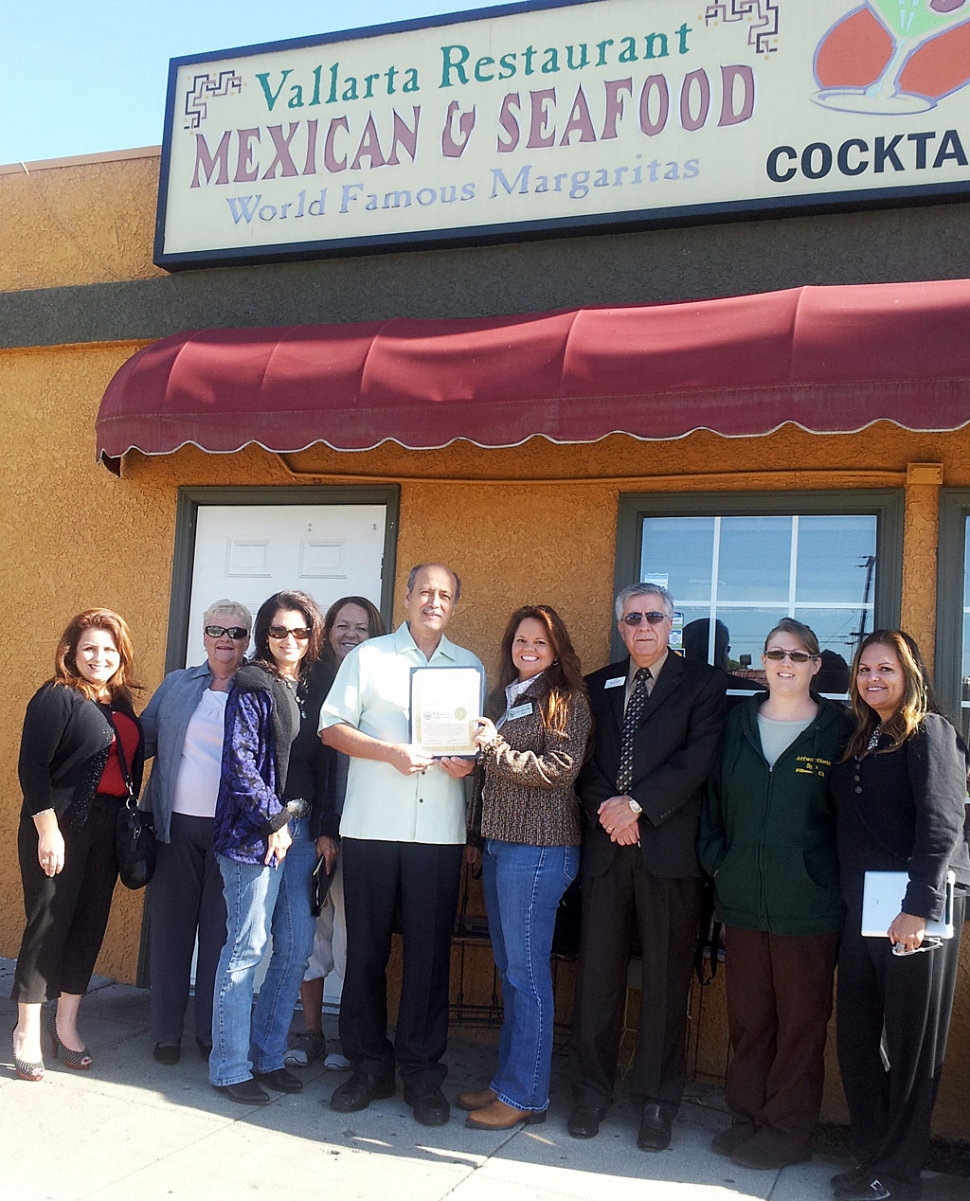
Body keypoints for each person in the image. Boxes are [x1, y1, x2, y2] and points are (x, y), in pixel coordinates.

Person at [320, 563, 483, 1127]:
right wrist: (389, 752)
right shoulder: (368, 658)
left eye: (445, 594)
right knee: (364, 952)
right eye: (425, 592)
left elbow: (471, 745)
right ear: (407, 596)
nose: (434, 601)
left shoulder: (470, 665)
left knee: (428, 957)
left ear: (454, 605)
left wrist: (468, 763)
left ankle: (420, 1072)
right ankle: (368, 1066)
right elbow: (330, 727)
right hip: (370, 828)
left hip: (437, 834)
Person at [569, 582, 727, 1150]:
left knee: (665, 984)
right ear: (620, 625)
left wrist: (637, 805)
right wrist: (610, 811)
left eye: (654, 617)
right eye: (633, 617)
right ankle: (590, 1091)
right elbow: (580, 761)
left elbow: (698, 759)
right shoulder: (597, 685)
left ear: (671, 623)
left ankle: (658, 1102)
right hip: (609, 851)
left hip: (669, 854)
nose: (643, 626)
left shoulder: (705, 684)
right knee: (597, 981)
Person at [698, 619, 851, 1169]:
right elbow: (712, 805)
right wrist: (722, 865)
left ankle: (786, 1132)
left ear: (815, 665)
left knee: (801, 1024)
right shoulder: (737, 723)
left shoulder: (839, 731)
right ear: (761, 663)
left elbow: (850, 824)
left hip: (807, 908)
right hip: (742, 901)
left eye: (798, 655)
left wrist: (822, 879)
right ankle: (746, 1119)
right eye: (775, 654)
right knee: (750, 1018)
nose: (785, 664)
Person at [829, 631, 970, 1201]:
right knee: (857, 1039)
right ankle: (873, 1158)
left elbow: (943, 825)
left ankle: (901, 1174)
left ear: (910, 675)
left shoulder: (928, 733)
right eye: (865, 670)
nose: (873, 679)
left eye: (886, 669)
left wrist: (918, 909)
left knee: (911, 1045)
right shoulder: (861, 738)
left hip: (917, 913)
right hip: (862, 912)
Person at [458, 605, 591, 1130]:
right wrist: (475, 835)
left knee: (528, 975)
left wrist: (490, 746)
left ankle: (526, 1096)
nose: (528, 650)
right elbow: (487, 780)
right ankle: (507, 1082)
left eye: (539, 642)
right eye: (520, 641)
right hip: (498, 846)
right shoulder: (507, 698)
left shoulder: (567, 701)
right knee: (513, 972)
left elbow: (559, 772)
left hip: (538, 850)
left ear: (557, 649)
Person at [11, 609, 143, 1081]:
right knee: (48, 924)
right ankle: (27, 1029)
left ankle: (66, 1025)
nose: (99, 657)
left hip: (107, 832)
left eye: (109, 649)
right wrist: (49, 831)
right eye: (89, 647)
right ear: (70, 651)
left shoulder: (121, 704)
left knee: (89, 924)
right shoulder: (56, 697)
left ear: (120, 656)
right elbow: (33, 769)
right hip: (60, 826)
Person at [208, 589, 324, 1105]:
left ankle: (268, 1056)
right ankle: (230, 1068)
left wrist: (322, 828)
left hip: (300, 834)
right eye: (278, 631)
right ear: (264, 634)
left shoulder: (311, 686)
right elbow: (241, 763)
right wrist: (273, 820)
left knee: (296, 946)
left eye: (300, 631)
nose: (289, 640)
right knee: (246, 948)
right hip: (254, 836)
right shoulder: (253, 682)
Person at [140, 598, 252, 1065]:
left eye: (236, 632)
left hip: (231, 835)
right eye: (215, 629)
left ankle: (209, 1031)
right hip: (175, 827)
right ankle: (167, 1032)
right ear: (203, 636)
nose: (225, 639)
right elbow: (140, 738)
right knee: (170, 933)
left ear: (248, 641)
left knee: (219, 937)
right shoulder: (177, 685)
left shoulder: (257, 689)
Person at [285, 595, 385, 1070]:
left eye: (360, 628)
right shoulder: (317, 682)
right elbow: (313, 764)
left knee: (351, 939)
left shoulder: (382, 682)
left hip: (367, 830)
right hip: (323, 827)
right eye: (342, 625)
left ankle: (352, 1036)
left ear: (375, 633)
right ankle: (311, 1033)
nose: (350, 634)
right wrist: (325, 829)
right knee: (312, 933)